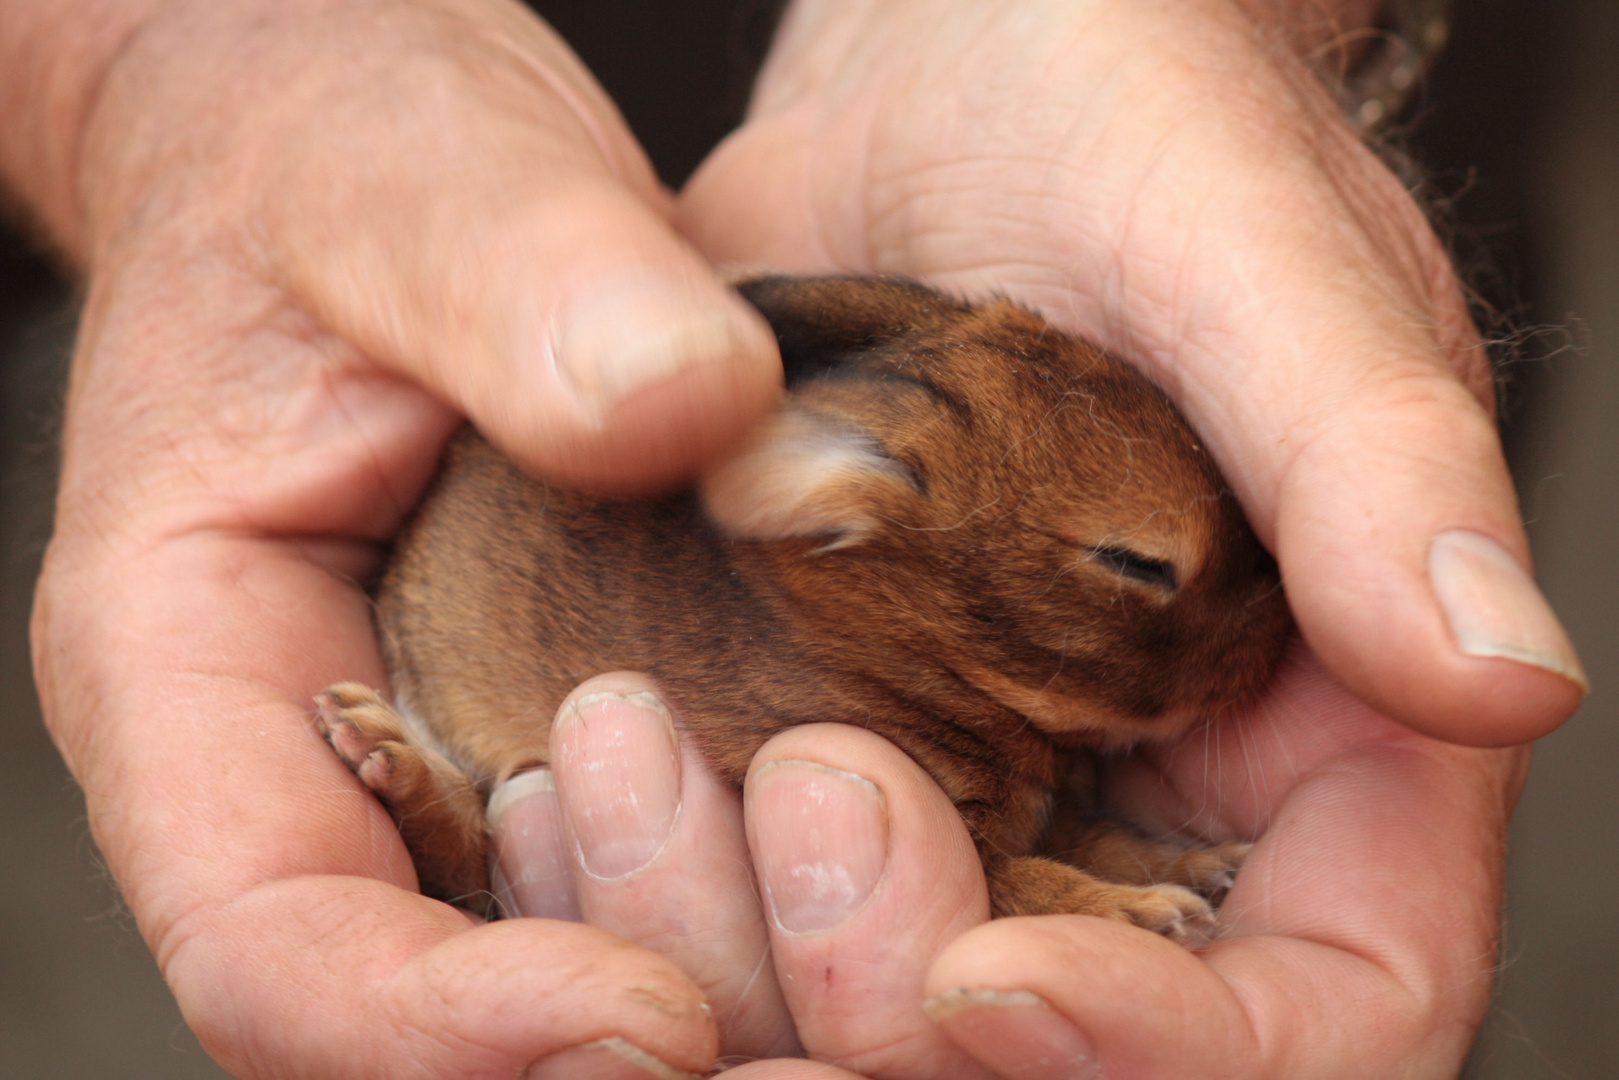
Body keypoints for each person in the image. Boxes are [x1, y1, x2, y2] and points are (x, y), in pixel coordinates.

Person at [0, 0, 1584, 1076]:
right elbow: (963, 830)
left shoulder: (970, 509)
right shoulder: (827, 602)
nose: (1265, 608)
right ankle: (441, 806)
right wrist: (155, 50)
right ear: (857, 529)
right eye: (1143, 570)